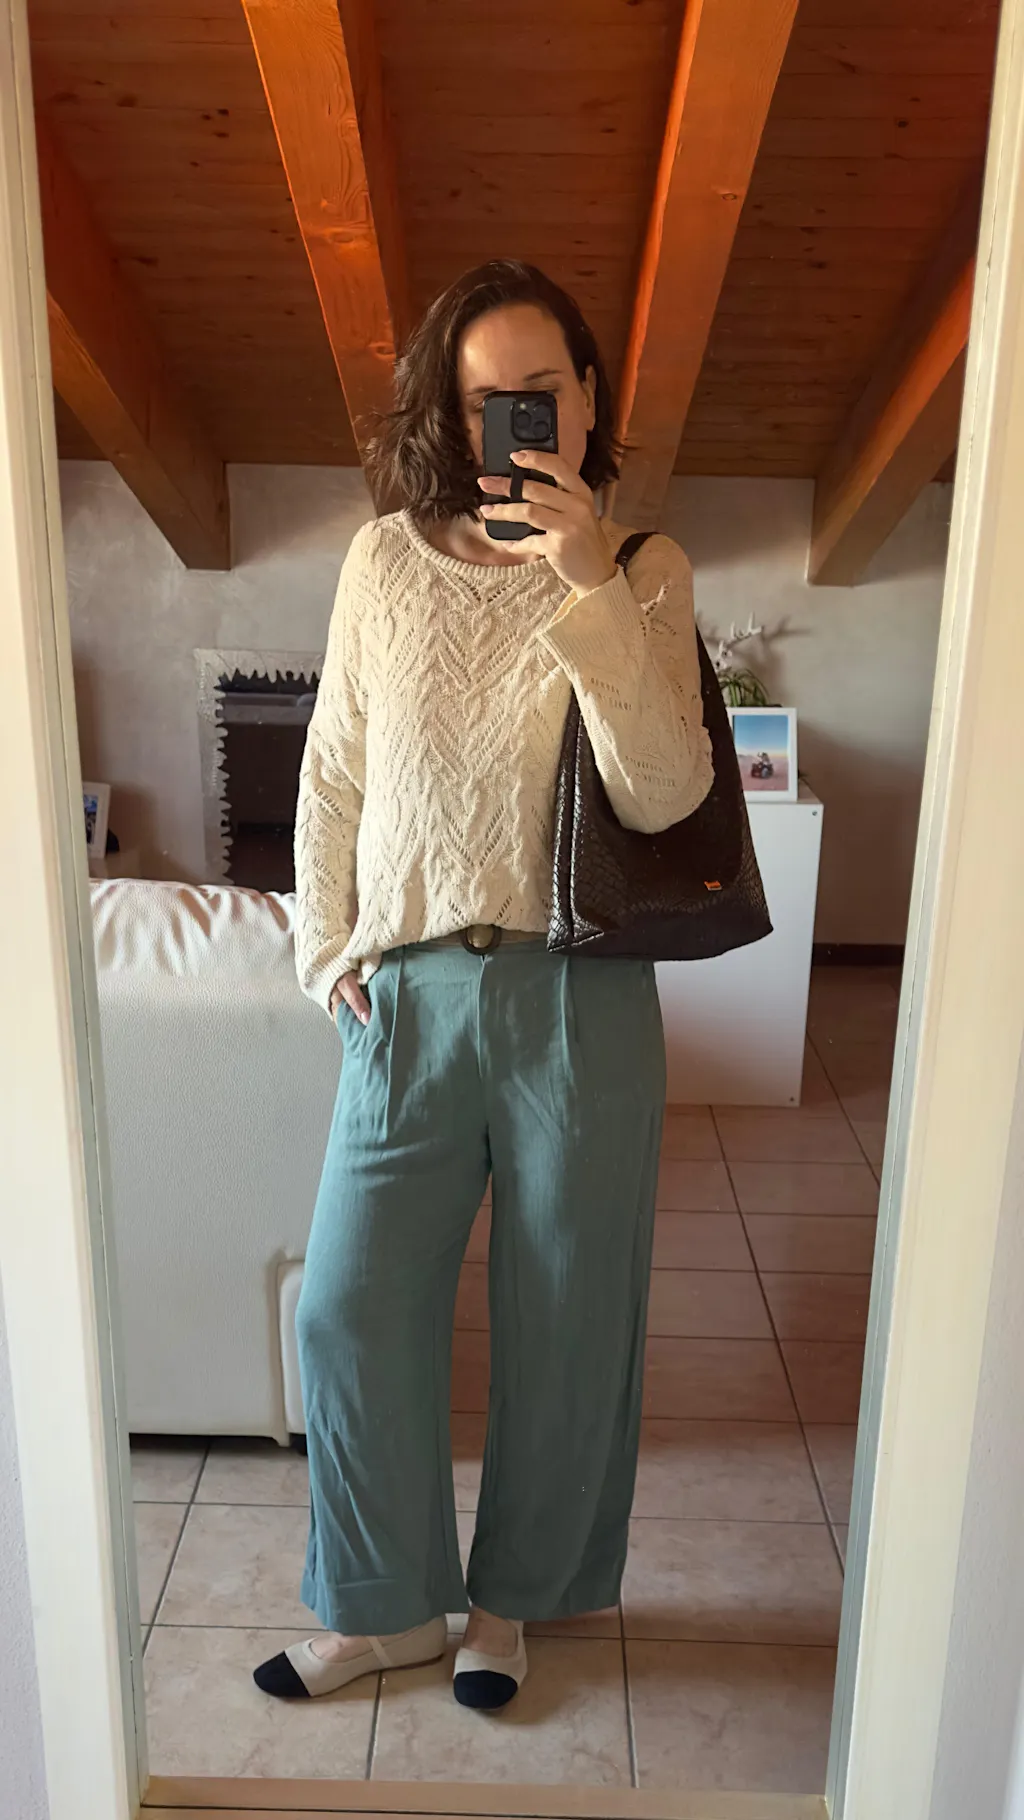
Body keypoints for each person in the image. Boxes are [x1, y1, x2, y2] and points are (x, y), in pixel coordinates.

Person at [253, 259, 714, 1712]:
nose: (514, 419)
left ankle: (513, 1601)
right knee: (345, 1306)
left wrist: (588, 587)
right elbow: (333, 767)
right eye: (481, 400)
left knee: (568, 1316)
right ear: (447, 415)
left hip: (580, 998)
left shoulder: (643, 568)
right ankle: (383, 1607)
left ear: (586, 397)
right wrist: (325, 944)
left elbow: (664, 792)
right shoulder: (382, 560)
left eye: (541, 391)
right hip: (405, 998)